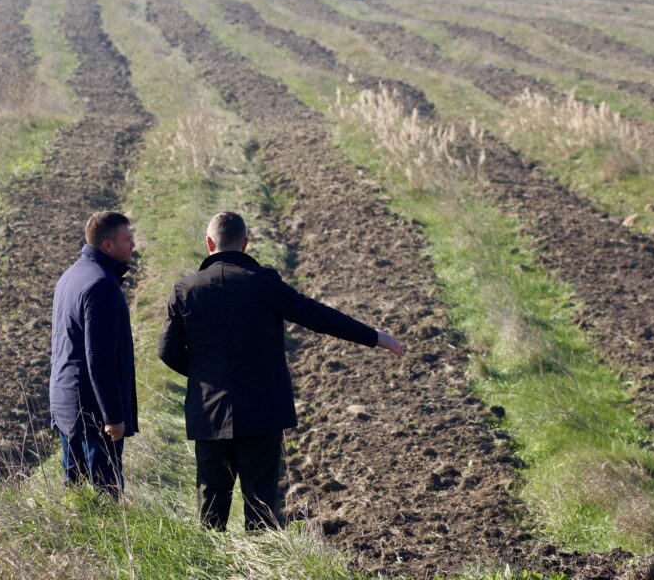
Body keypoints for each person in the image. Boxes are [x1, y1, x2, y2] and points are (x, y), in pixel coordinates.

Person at [158, 211, 405, 531]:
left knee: (211, 505)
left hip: (209, 416)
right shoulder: (264, 283)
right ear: (245, 244)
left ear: (209, 243)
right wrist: (375, 337)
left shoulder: (185, 290)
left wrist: (206, 376)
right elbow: (317, 316)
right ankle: (263, 566)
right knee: (260, 505)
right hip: (262, 414)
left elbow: (167, 351)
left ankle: (209, 567)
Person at [49, 211, 138, 497]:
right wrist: (113, 415)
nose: (133, 244)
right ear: (108, 246)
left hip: (67, 405)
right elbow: (99, 360)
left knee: (75, 496)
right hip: (92, 414)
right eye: (128, 239)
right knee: (106, 498)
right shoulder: (101, 286)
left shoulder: (70, 276)